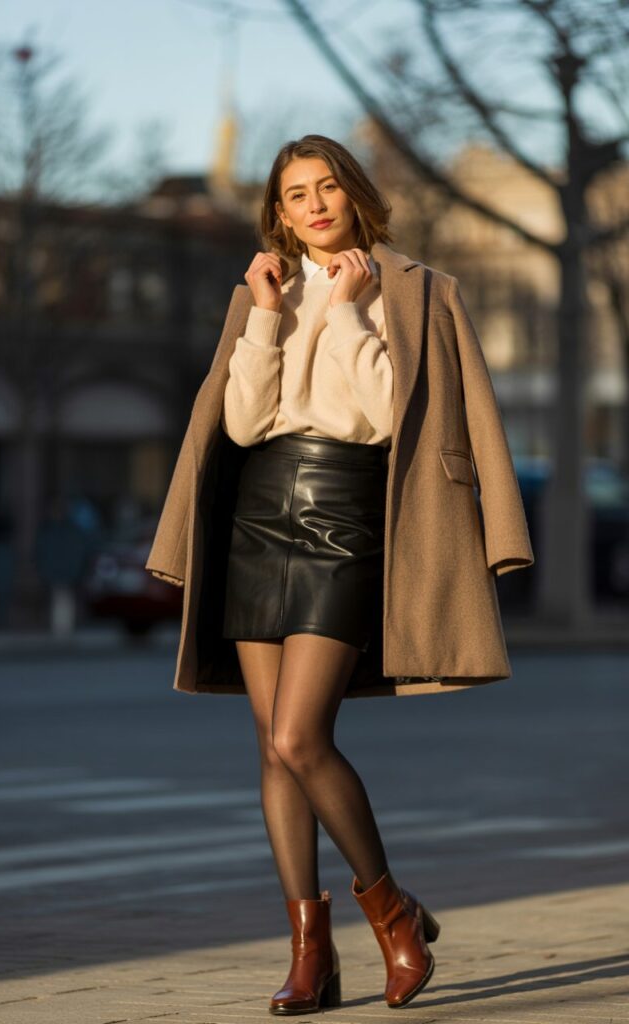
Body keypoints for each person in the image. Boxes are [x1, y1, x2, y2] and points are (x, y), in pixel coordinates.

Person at [219, 135, 442, 1014]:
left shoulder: (397, 285)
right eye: (294, 195)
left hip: (343, 514)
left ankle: (393, 913)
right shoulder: (267, 291)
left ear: (354, 196)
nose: (312, 205)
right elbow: (241, 423)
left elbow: (388, 416)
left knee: (299, 737)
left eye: (327, 188)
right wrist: (267, 312)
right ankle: (312, 955)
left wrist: (349, 310)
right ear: (278, 212)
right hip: (260, 510)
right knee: (272, 746)